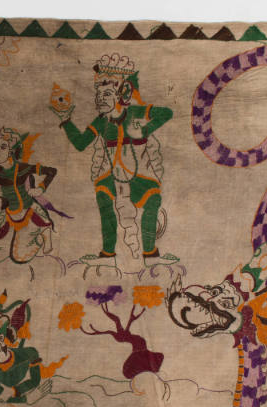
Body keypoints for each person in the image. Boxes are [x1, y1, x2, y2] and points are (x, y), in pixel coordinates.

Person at [52, 54, 176, 269]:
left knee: (153, 199)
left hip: (140, 178)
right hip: (114, 177)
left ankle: (151, 255)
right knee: (102, 194)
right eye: (98, 94)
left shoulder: (135, 112)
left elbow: (167, 113)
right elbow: (81, 143)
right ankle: (108, 255)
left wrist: (144, 130)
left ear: (121, 94)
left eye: (107, 93)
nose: (100, 99)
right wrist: (65, 120)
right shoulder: (101, 121)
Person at [0, 128, 58, 264]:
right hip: (10, 215)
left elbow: (52, 171)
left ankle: (44, 232)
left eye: (3, 147)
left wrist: (40, 188)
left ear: (11, 152)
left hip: (29, 212)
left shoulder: (22, 168)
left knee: (20, 257)